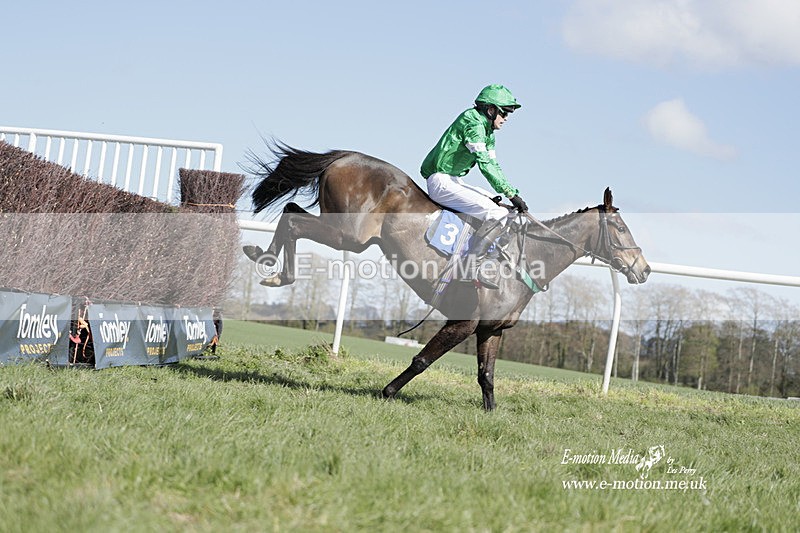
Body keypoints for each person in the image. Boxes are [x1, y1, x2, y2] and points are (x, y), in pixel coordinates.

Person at [421, 84, 529, 288]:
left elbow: (494, 165)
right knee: (496, 215)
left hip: (453, 181)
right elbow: (485, 165)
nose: (506, 119)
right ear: (491, 110)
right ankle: (470, 268)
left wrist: (511, 197)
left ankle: (487, 258)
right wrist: (511, 193)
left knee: (505, 211)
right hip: (441, 182)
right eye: (504, 113)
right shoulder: (473, 123)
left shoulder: (488, 132)